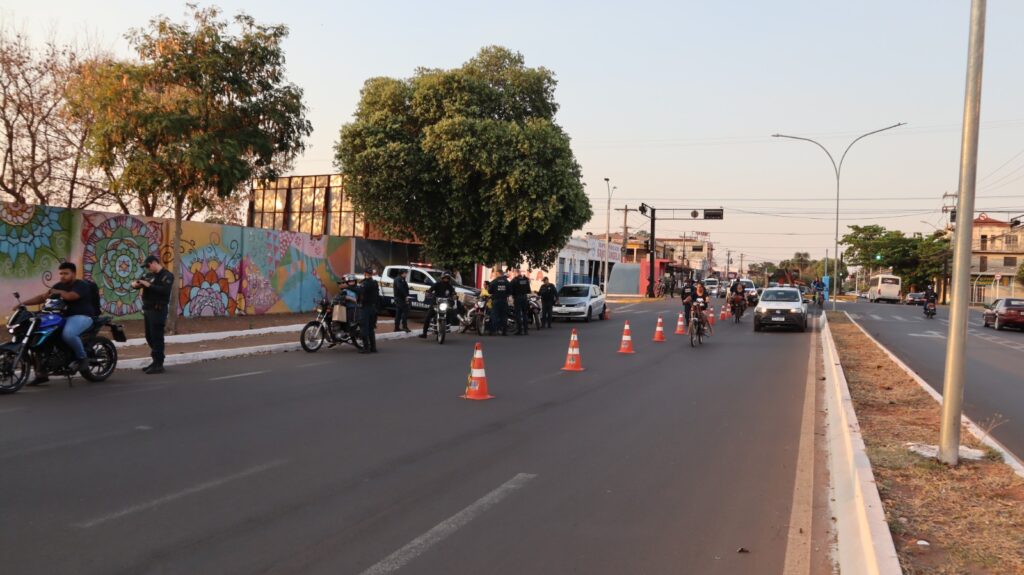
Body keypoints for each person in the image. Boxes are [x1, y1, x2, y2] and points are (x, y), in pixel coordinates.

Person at [17, 262, 98, 383]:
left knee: (69, 335)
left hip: (81, 316)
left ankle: (82, 358)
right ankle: (41, 373)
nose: (62, 276)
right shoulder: (59, 285)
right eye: (61, 273)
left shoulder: (81, 285)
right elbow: (42, 297)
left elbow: (71, 296)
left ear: (74, 274)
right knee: (39, 338)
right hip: (60, 317)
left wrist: (57, 292)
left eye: (66, 273)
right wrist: (22, 304)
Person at [130, 255, 174, 373]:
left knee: (157, 337)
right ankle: (156, 361)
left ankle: (159, 364)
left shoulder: (167, 275)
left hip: (158, 310)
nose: (148, 268)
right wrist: (135, 284)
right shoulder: (148, 275)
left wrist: (149, 285)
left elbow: (165, 290)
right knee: (149, 336)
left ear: (154, 262)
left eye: (148, 265)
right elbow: (136, 283)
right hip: (148, 310)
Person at [419, 273, 457, 338]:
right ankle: (424, 333)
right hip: (435, 304)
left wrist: (454, 296)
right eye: (445, 278)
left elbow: (453, 293)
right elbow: (430, 290)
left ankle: (447, 327)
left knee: (450, 312)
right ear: (442, 278)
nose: (446, 279)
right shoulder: (437, 284)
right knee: (428, 317)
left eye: (447, 278)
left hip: (445, 304)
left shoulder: (450, 286)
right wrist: (428, 292)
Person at [358, 269, 379, 353]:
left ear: (365, 274)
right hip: (373, 308)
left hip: (366, 308)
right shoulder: (375, 283)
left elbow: (360, 291)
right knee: (371, 329)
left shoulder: (365, 283)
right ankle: (373, 347)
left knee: (364, 328)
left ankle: (366, 348)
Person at [489, 269, 511, 336]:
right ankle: (504, 331)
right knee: (504, 316)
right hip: (504, 300)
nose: (495, 275)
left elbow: (490, 291)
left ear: (498, 273)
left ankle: (494, 331)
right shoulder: (506, 282)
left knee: (494, 315)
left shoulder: (494, 281)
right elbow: (510, 291)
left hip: (496, 300)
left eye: (496, 273)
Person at [511, 269, 532, 335]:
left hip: (517, 298)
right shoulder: (526, 280)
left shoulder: (514, 280)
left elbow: (510, 289)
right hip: (524, 298)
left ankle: (519, 330)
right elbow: (529, 290)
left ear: (516, 273)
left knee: (518, 315)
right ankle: (526, 331)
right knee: (525, 314)